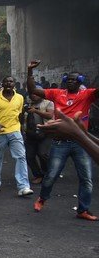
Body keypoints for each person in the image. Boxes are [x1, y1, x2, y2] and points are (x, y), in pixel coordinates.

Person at [27, 62, 98, 220]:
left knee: (86, 178)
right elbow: (33, 90)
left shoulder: (87, 94)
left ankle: (83, 210)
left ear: (80, 81)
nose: (71, 81)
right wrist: (30, 71)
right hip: (60, 142)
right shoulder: (56, 93)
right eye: (69, 79)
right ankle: (42, 198)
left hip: (80, 142)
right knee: (51, 175)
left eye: (74, 80)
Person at [0, 76, 33, 196]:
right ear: (2, 84)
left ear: (14, 84)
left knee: (21, 157)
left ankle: (23, 186)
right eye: (6, 81)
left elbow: (20, 114)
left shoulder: (19, 97)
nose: (9, 83)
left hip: (15, 130)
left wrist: (22, 129)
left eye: (11, 81)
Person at [23, 88, 54, 184]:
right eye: (32, 94)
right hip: (30, 134)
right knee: (29, 156)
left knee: (43, 154)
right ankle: (38, 175)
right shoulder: (28, 103)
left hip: (45, 133)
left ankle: (48, 174)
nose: (34, 95)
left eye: (36, 94)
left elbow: (49, 115)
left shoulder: (48, 103)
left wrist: (35, 111)